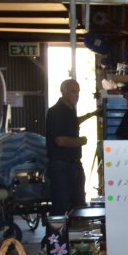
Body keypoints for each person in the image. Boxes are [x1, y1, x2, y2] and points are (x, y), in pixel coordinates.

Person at [45, 78, 97, 215]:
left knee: (78, 204)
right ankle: (57, 236)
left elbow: (73, 122)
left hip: (74, 165)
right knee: (61, 206)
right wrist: (82, 141)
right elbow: (61, 141)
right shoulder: (55, 112)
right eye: (74, 92)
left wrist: (92, 114)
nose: (77, 95)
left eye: (78, 92)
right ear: (64, 92)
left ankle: (75, 235)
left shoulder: (70, 110)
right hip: (61, 167)